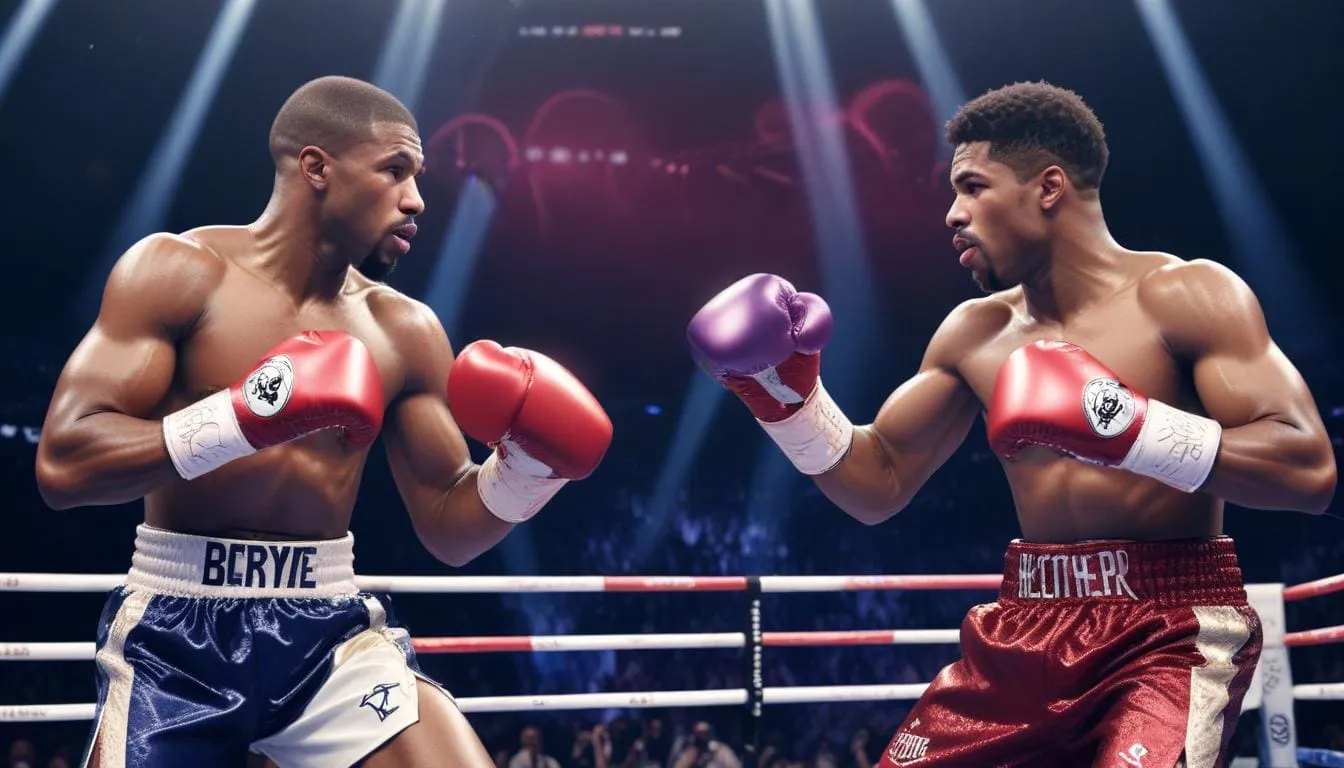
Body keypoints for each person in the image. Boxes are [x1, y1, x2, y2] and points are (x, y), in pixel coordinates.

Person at [687, 81, 1337, 767]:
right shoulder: (975, 333)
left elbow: (1308, 468)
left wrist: (1128, 427)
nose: (951, 214)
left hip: (1169, 630)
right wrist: (787, 402)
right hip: (1025, 627)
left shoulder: (1185, 296)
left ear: (1048, 187)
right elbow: (877, 486)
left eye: (972, 188)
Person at [35, 75, 613, 768]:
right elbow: (64, 465)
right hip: (176, 628)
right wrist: (243, 417)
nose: (417, 199)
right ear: (316, 167)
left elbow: (448, 526)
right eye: (395, 170)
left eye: (419, 176)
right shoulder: (180, 271)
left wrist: (526, 471)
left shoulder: (404, 329)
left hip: (327, 630)